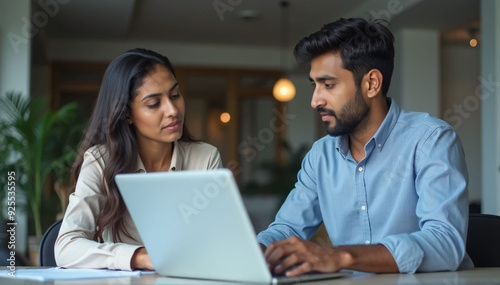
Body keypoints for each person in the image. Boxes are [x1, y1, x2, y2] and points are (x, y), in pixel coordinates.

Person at [257, 18, 474, 276]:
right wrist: (253, 250)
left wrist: (341, 256)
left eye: (328, 85)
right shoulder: (321, 155)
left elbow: (445, 244)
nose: (315, 100)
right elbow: (286, 230)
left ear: (371, 83)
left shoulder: (431, 140)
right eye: (314, 85)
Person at [55, 48, 222, 270]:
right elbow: (66, 246)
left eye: (175, 95)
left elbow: (219, 244)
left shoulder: (206, 158)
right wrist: (140, 257)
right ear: (126, 114)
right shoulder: (100, 161)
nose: (172, 110)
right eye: (154, 103)